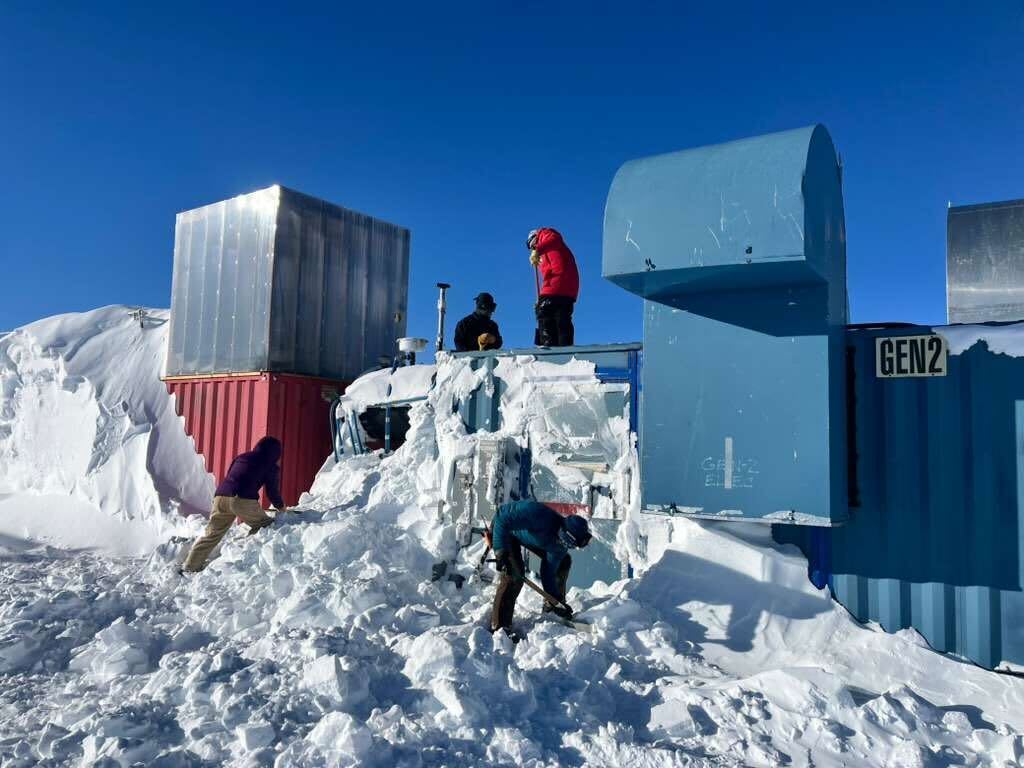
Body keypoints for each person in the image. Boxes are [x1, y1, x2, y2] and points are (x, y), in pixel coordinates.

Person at [489, 500, 592, 640]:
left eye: (570, 545)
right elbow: (502, 517)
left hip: (531, 537)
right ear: (564, 531)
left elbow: (548, 573)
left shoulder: (559, 547)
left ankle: (551, 609)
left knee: (563, 562)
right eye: (566, 541)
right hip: (505, 529)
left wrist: (556, 600)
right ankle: (500, 628)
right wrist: (500, 550)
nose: (565, 545)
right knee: (514, 574)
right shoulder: (537, 514)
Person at [180, 436, 286, 573]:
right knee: (264, 526)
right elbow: (272, 492)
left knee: (212, 534)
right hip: (242, 499)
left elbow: (231, 475)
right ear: (275, 453)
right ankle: (247, 556)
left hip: (220, 497)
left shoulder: (242, 457)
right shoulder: (270, 465)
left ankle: (189, 567)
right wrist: (281, 507)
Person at [528, 228, 580, 347]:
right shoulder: (545, 253)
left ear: (535, 237)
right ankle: (564, 345)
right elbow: (547, 276)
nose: (533, 248)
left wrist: (538, 249)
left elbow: (555, 240)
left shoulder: (546, 235)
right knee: (561, 316)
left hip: (559, 281)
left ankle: (548, 344)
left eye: (533, 245)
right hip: (567, 287)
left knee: (545, 311)